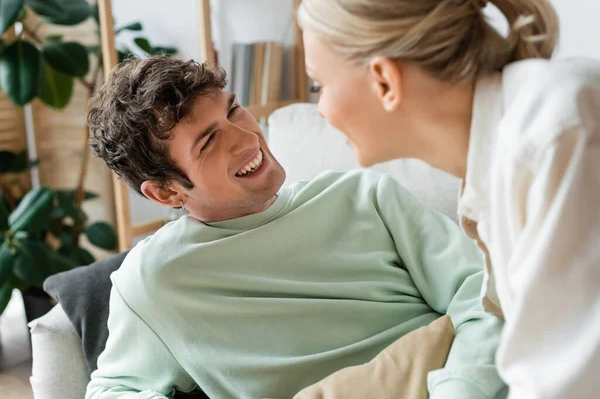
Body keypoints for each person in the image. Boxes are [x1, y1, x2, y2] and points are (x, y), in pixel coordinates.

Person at [84, 56, 505, 399]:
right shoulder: (155, 282)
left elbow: (483, 293)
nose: (246, 137)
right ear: (165, 193)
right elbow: (111, 390)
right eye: (209, 142)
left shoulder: (365, 196)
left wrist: (462, 389)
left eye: (233, 110)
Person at [298, 0, 600, 398]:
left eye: (320, 85)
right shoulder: (494, 166)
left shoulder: (556, 134)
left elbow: (564, 383)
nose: (320, 109)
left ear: (385, 81)